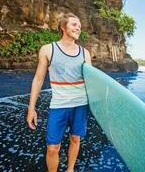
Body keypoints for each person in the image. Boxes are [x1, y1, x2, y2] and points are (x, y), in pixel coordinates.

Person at [26, 12, 92, 172]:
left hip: (81, 104)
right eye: (74, 25)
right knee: (52, 148)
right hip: (59, 105)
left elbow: (92, 83)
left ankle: (70, 170)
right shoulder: (48, 50)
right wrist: (31, 108)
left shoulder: (85, 53)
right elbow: (38, 80)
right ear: (63, 27)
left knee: (75, 139)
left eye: (80, 26)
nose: (78, 28)